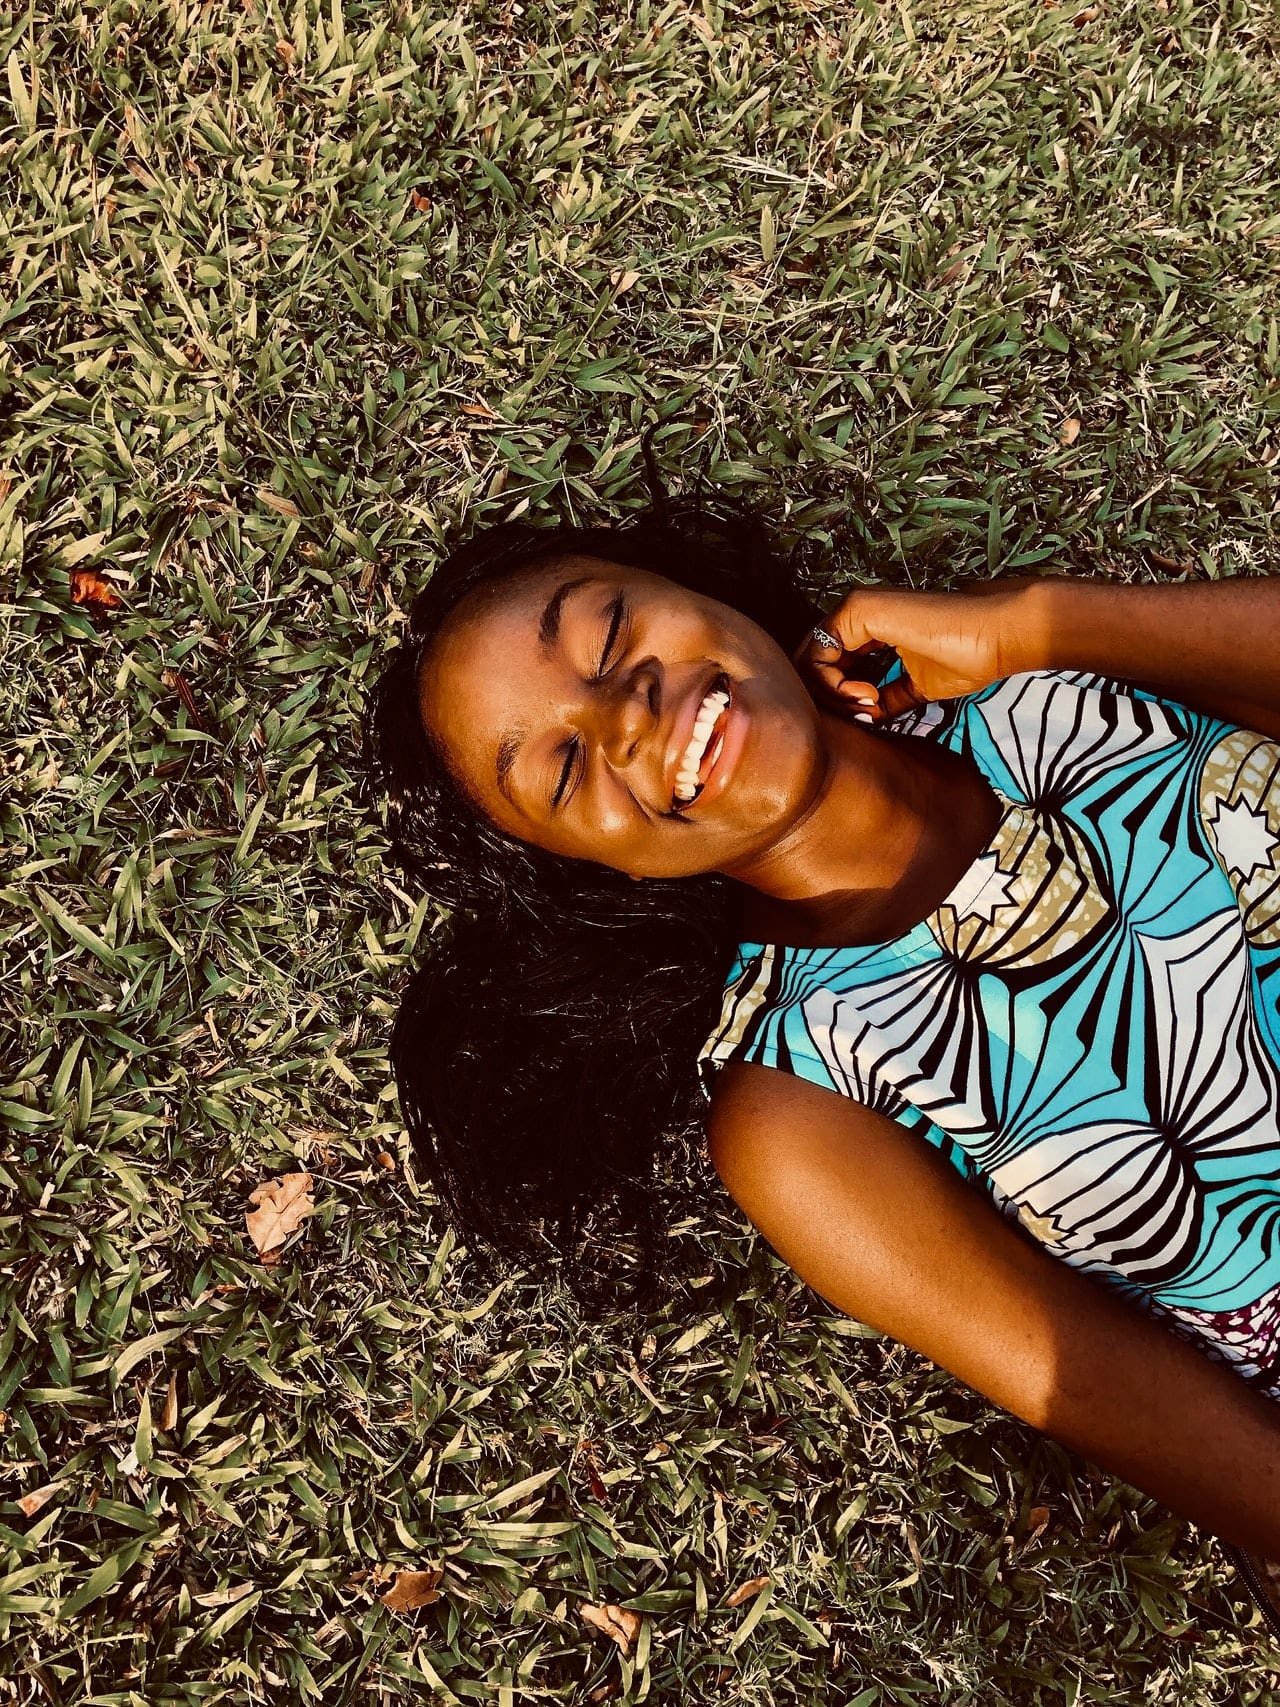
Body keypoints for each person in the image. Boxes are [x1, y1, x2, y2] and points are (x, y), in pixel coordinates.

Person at [365, 500, 1280, 1623]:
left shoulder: (1041, 683)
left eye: (607, 637)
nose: (624, 711)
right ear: (592, 872)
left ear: (701, 596)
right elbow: (1118, 1404)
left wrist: (1038, 623)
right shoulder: (798, 1108)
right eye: (562, 771)